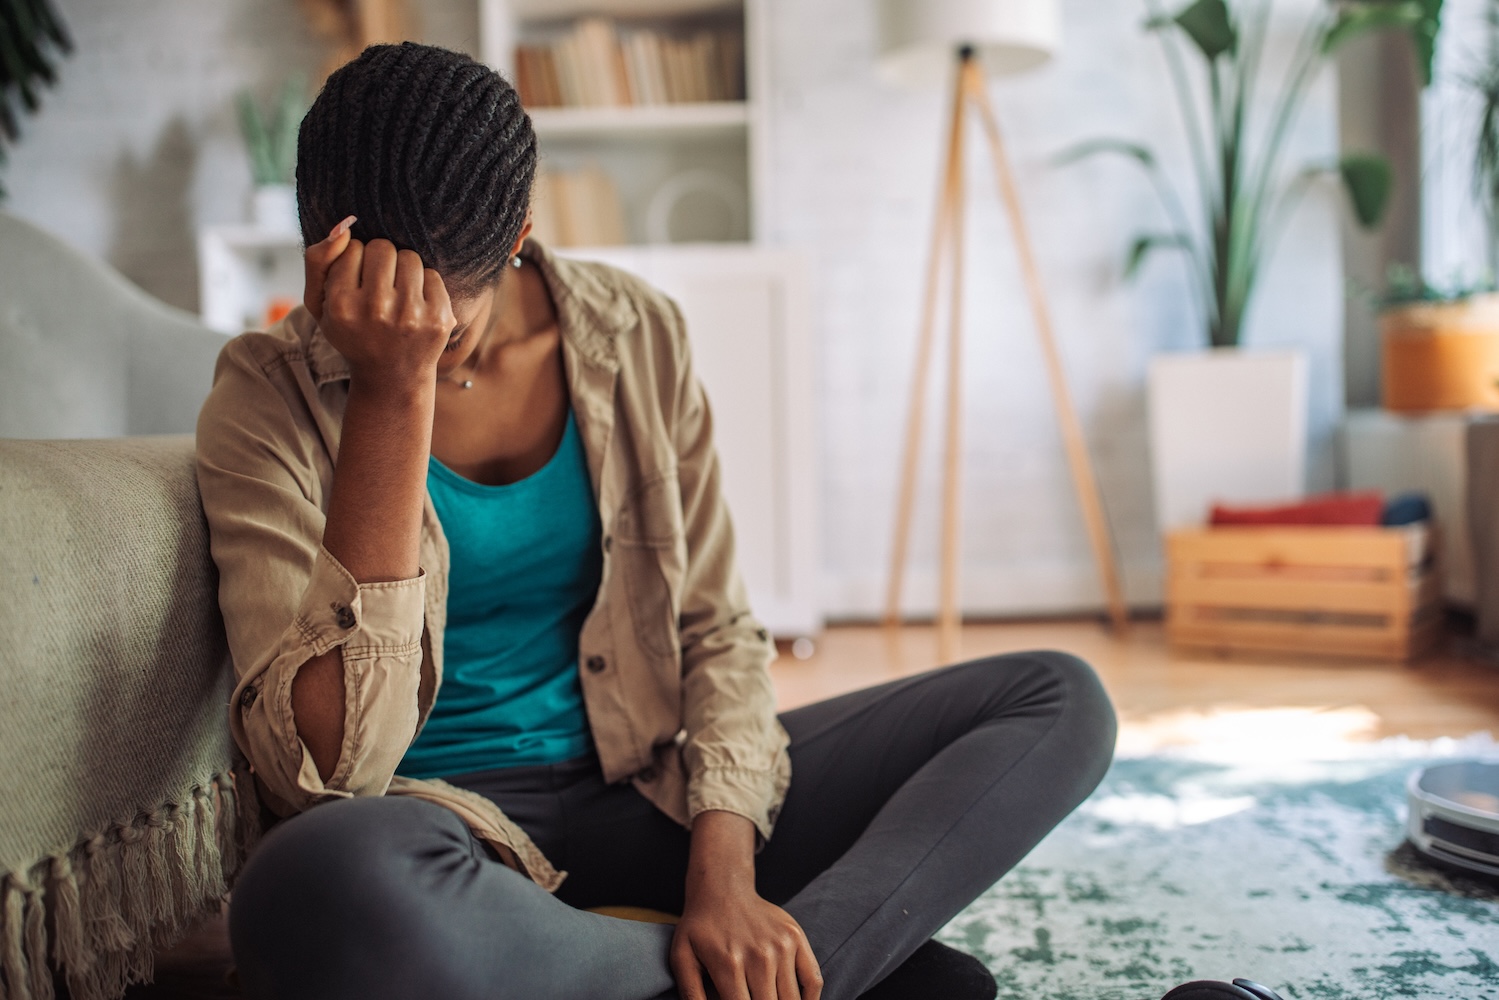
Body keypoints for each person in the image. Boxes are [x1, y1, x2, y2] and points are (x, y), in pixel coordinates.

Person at [196, 41, 1117, 1000]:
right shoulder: (268, 394)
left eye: (444, 319)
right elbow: (322, 778)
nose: (412, 327)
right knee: (305, 891)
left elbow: (716, 630)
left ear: (516, 228)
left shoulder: (635, 331)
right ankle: (820, 974)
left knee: (1057, 698)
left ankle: (761, 963)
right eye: (375, 306)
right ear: (319, 259)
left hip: (649, 791)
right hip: (440, 836)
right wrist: (390, 392)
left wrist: (724, 882)